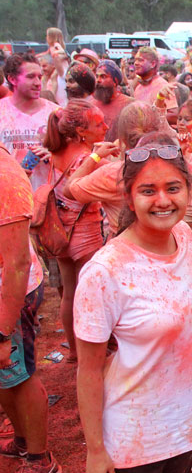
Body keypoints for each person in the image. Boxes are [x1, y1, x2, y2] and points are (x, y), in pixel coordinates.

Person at [75, 132, 192, 473]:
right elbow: (89, 369)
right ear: (128, 197)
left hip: (185, 426)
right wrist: (96, 451)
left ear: (188, 190)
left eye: (173, 188)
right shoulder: (106, 271)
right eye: (147, 191)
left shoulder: (186, 239)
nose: (162, 201)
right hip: (133, 438)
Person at [0, 146, 58, 473]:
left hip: (10, 295)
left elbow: (17, 264)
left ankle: (40, 460)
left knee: (19, 375)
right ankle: (22, 439)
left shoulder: (4, 179)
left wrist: (3, 331)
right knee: (5, 375)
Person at [43, 100, 107, 363]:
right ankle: (89, 355)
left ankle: (73, 351)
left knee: (70, 292)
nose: (105, 126)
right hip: (85, 233)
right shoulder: (87, 157)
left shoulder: (56, 151)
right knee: (88, 295)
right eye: (98, 124)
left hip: (59, 233)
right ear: (81, 131)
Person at [63, 102, 162, 240]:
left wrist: (96, 156)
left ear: (123, 138)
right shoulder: (172, 164)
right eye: (99, 124)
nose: (106, 127)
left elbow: (69, 190)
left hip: (125, 247)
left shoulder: (113, 173)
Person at [0, 53, 58, 191]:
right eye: (31, 77)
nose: (38, 83)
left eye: (40, 77)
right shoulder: (2, 111)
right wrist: (11, 172)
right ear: (12, 79)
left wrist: (54, 157)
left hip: (46, 199)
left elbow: (72, 159)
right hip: (9, 197)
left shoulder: (55, 113)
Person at [91, 60, 134, 143]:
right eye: (97, 76)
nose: (98, 80)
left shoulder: (129, 104)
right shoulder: (91, 104)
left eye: (103, 77)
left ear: (115, 81)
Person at [132, 47, 178, 112]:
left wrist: (148, 118)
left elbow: (173, 116)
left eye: (140, 60)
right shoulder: (138, 88)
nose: (135, 63)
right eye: (135, 60)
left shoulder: (162, 86)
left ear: (153, 64)